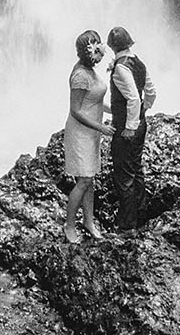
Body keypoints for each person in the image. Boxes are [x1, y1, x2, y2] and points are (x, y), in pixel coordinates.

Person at [62, 29, 114, 243]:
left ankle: (89, 221)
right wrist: (101, 127)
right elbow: (76, 110)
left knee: (89, 179)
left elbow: (94, 101)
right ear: (90, 52)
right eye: (98, 47)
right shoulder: (81, 75)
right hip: (81, 133)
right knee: (84, 180)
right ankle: (69, 225)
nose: (101, 51)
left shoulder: (89, 71)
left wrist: (116, 111)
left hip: (91, 133)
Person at [106, 25, 156, 231]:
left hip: (128, 127)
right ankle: (141, 217)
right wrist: (145, 110)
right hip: (140, 123)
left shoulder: (120, 67)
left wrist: (129, 126)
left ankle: (127, 226)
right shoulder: (139, 63)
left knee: (124, 177)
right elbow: (151, 92)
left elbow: (133, 98)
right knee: (136, 171)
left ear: (112, 46)